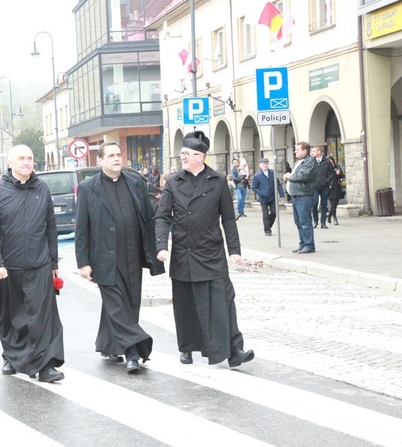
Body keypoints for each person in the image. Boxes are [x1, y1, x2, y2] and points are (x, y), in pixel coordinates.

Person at [155, 130, 255, 368]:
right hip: (184, 252)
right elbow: (161, 217)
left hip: (211, 252)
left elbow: (228, 219)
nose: (182, 157)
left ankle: (235, 350)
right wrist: (161, 246)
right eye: (182, 154)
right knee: (186, 304)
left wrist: (234, 249)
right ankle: (187, 347)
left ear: (200, 156)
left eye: (186, 154)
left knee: (224, 300)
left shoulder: (218, 181)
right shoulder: (173, 182)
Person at [74, 141, 165, 373]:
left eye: (118, 154)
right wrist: (83, 262)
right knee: (117, 305)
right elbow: (82, 228)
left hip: (133, 253)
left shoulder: (135, 182)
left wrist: (157, 247)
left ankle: (108, 344)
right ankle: (134, 351)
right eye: (111, 155)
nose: (116, 158)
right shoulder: (88, 188)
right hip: (104, 258)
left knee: (131, 303)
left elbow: (148, 217)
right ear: (100, 161)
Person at [0, 145, 65, 383]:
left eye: (29, 158)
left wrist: (53, 261)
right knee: (11, 316)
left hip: (39, 263)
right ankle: (10, 355)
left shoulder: (42, 188)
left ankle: (47, 364)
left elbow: (51, 226)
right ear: (10, 162)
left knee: (44, 316)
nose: (26, 162)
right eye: (21, 158)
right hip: (8, 266)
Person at [283, 142, 318, 254]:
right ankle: (303, 243)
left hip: (304, 195)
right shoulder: (298, 161)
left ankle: (309, 245)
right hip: (296, 195)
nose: (295, 151)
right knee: (298, 222)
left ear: (305, 151)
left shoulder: (310, 161)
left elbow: (303, 176)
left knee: (305, 222)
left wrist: (290, 176)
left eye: (297, 149)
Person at [250, 157, 284, 236]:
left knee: (274, 213)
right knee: (265, 214)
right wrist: (261, 194)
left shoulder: (272, 172)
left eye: (266, 164)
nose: (265, 165)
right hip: (263, 198)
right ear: (260, 165)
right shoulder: (257, 175)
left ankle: (268, 225)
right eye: (263, 164)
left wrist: (281, 194)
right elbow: (254, 187)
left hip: (272, 197)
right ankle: (267, 230)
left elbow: (278, 184)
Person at [311, 146, 332, 229]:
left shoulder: (326, 161)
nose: (312, 153)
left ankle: (323, 222)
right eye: (312, 151)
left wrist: (327, 181)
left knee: (324, 205)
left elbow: (332, 173)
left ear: (319, 152)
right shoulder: (312, 161)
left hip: (325, 187)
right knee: (315, 203)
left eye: (314, 151)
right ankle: (315, 221)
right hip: (315, 187)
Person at [326, 155, 345, 226]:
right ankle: (335, 218)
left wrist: (339, 173)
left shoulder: (337, 167)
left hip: (337, 187)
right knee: (333, 203)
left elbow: (342, 176)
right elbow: (325, 178)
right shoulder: (326, 168)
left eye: (331, 160)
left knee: (335, 204)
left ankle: (329, 216)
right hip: (330, 188)